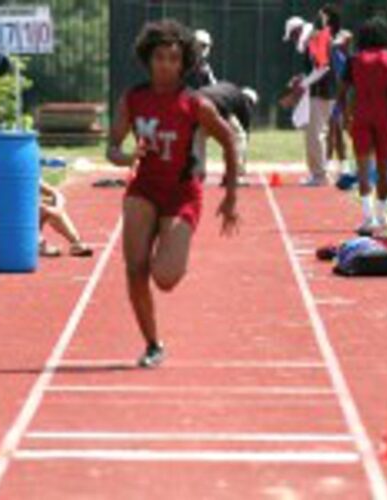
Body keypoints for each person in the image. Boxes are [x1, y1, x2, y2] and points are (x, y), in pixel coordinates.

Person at [107, 20, 239, 368]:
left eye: (173, 58)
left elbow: (229, 142)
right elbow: (112, 147)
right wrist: (125, 156)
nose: (165, 64)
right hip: (144, 188)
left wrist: (231, 195)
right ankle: (153, 343)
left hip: (182, 193)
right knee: (134, 269)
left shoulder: (195, 104)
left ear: (184, 64)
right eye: (159, 57)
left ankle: (168, 249)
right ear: (148, 60)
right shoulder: (133, 98)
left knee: (164, 278)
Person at [338, 17, 387, 235]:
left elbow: (343, 92)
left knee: (363, 168)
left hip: (361, 115)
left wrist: (345, 117)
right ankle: (383, 217)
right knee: (384, 169)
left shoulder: (353, 60)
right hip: (384, 116)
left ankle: (368, 219)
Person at [283, 10, 337, 187]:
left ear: (297, 31)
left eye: (291, 37)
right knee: (313, 133)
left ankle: (320, 176)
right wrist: (302, 78)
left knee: (315, 134)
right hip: (321, 91)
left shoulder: (314, 38)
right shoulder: (313, 38)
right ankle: (316, 173)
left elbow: (323, 68)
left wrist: (303, 84)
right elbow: (317, 68)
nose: (292, 41)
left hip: (322, 92)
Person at [196, 82, 259, 183]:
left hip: (195, 102)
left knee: (198, 137)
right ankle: (234, 175)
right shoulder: (244, 102)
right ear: (250, 101)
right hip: (217, 106)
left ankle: (196, 173)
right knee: (238, 137)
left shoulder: (230, 90)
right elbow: (245, 134)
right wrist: (242, 162)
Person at [39, 180, 94, 258]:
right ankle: (38, 243)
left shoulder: (29, 176)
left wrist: (58, 208)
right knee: (42, 208)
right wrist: (47, 209)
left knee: (51, 204)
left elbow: (57, 194)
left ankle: (76, 243)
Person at [327, 30, 353, 175]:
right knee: (334, 129)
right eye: (345, 42)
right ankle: (332, 162)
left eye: (348, 42)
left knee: (340, 130)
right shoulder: (335, 53)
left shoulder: (346, 57)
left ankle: (343, 163)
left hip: (343, 97)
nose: (347, 44)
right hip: (335, 96)